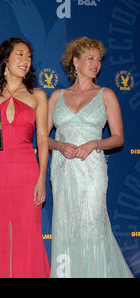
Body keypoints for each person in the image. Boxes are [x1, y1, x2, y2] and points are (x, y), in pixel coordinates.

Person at [48, 36, 133, 278]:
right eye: (90, 59)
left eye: (99, 60)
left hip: (92, 169)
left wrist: (95, 143)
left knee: (92, 225)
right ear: (75, 61)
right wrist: (60, 145)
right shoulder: (56, 96)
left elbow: (118, 138)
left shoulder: (106, 95)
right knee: (66, 225)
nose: (96, 64)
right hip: (63, 169)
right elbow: (43, 138)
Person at [0, 37, 50, 278]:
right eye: (20, 54)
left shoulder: (37, 95)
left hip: (27, 172)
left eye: (28, 57)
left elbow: (42, 140)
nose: (25, 61)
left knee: (28, 235)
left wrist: (41, 178)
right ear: (6, 59)